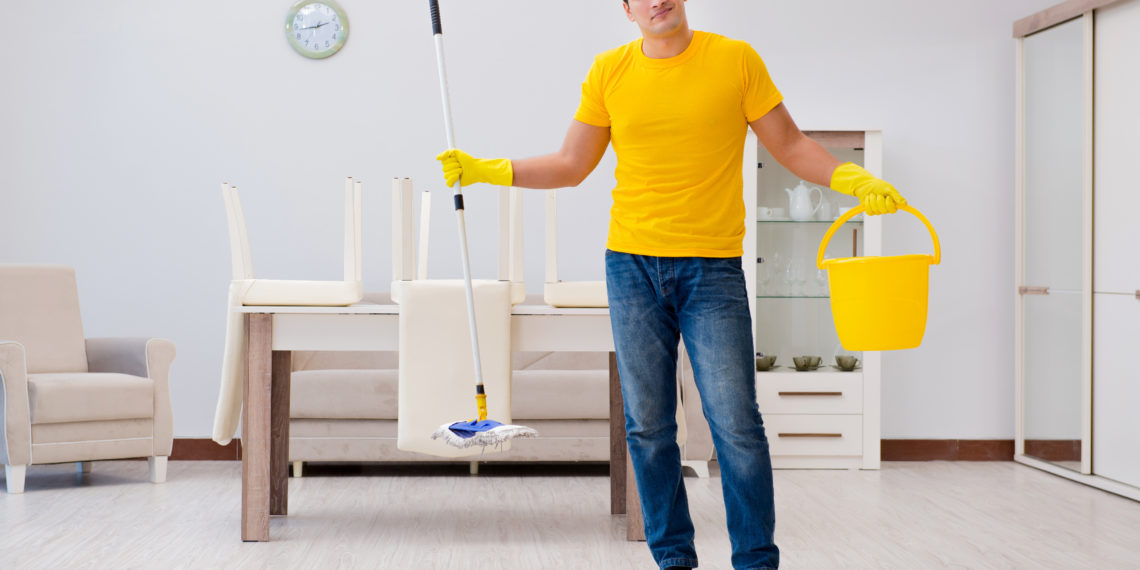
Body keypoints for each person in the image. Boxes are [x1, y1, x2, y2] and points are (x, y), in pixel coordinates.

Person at [437, 1, 905, 568]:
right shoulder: (610, 70)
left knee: (736, 422)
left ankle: (756, 560)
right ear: (627, 8)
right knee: (649, 426)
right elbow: (572, 163)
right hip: (631, 265)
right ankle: (673, 558)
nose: (658, 0)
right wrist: (489, 169)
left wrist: (849, 176)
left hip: (711, 268)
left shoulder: (734, 60)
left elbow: (790, 143)